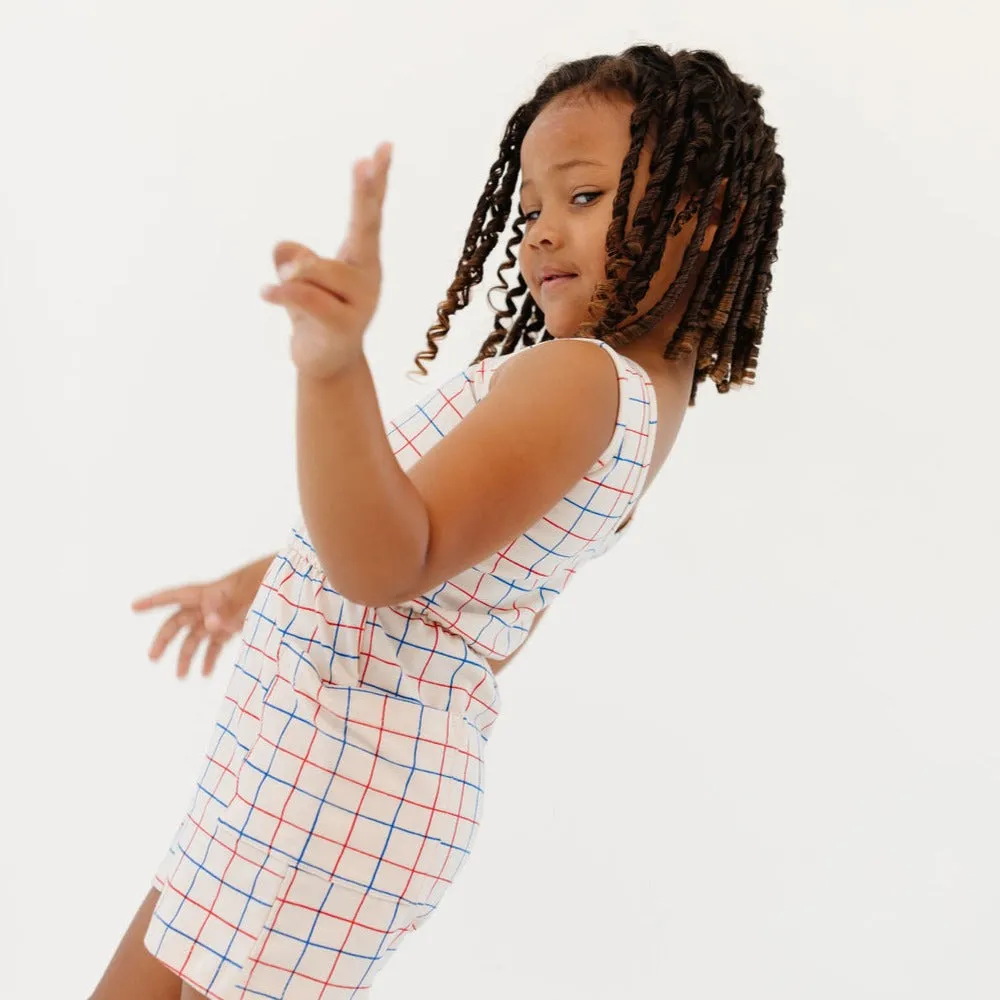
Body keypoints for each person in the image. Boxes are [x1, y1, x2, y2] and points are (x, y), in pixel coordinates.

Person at [90, 42, 785, 1000]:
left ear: (711, 215)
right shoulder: (637, 407)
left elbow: (387, 562)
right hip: (330, 768)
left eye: (581, 197)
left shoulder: (581, 382)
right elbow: (456, 592)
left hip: (328, 780)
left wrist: (333, 368)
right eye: (531, 207)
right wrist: (260, 585)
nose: (540, 232)